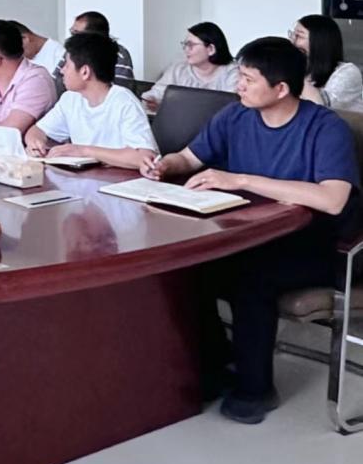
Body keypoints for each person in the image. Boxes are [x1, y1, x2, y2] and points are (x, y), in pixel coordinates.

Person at [141, 37, 361, 424]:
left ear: (281, 88)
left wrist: (241, 180)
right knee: (189, 265)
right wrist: (164, 165)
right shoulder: (235, 116)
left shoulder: (325, 128)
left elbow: (332, 199)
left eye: (248, 79)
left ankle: (255, 388)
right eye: (239, 76)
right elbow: (190, 157)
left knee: (252, 277)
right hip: (258, 235)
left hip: (325, 245)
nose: (238, 85)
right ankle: (215, 363)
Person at [25, 33, 158, 169]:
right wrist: (35, 143)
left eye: (67, 65)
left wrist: (83, 151)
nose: (62, 71)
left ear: (85, 72)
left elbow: (144, 157)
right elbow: (37, 130)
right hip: (85, 177)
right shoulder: (70, 99)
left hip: (119, 178)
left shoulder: (124, 101)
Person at [142, 22, 239, 111]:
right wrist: (151, 99)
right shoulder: (179, 69)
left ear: (211, 49)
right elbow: (158, 92)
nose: (186, 49)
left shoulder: (232, 73)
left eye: (191, 45)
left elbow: (231, 107)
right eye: (185, 44)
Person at [290, 14, 363, 113]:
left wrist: (292, 71)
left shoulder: (348, 72)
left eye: (299, 36)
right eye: (292, 35)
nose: (292, 41)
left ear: (319, 41)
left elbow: (320, 108)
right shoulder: (304, 69)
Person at [55, 11, 135, 81]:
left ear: (94, 36)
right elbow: (56, 81)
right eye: (72, 32)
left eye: (76, 33)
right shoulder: (71, 52)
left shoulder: (119, 54)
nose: (72, 37)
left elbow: (121, 87)